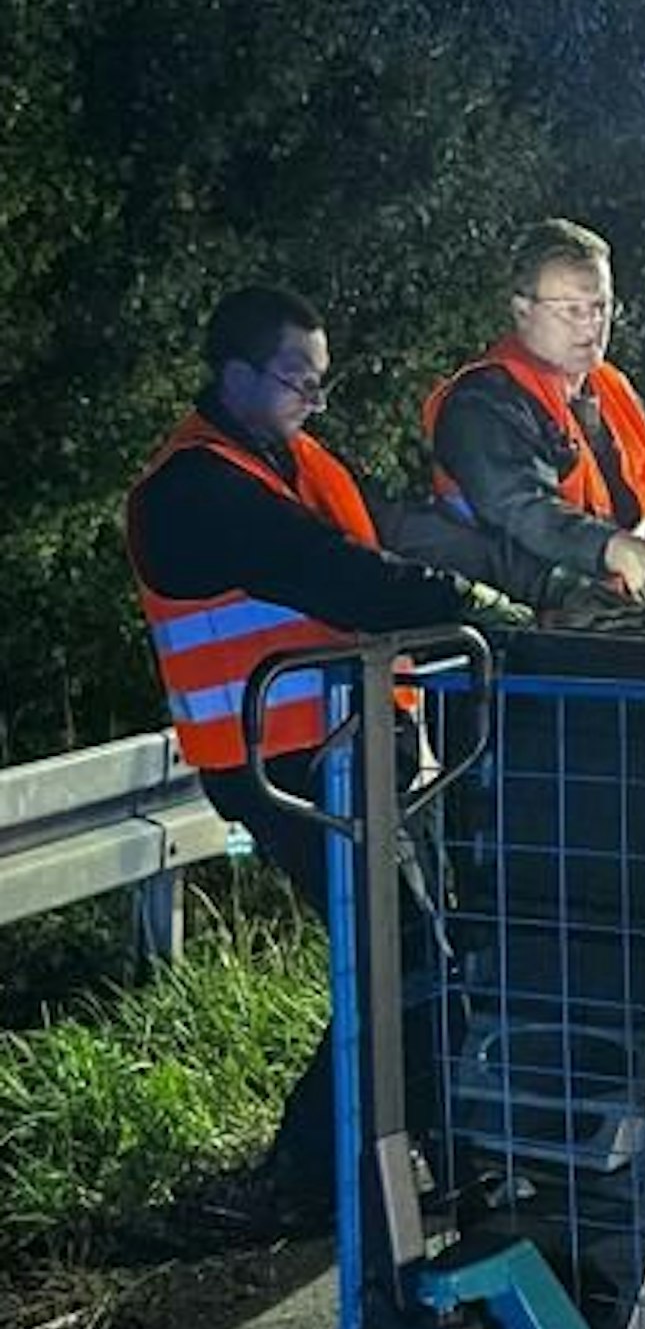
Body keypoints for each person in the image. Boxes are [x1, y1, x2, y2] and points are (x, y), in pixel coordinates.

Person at [126, 284, 531, 1222]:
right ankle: (415, 1165)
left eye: (320, 382)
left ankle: (375, 1161)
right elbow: (338, 574)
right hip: (286, 763)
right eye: (296, 380)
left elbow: (378, 543)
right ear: (234, 374)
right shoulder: (197, 489)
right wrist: (478, 608)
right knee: (406, 954)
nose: (315, 399)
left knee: (398, 955)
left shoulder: (285, 461)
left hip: (350, 749)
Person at [421, 217, 645, 608]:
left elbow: (634, 513)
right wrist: (614, 549)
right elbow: (520, 508)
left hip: (609, 615)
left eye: (600, 306)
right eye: (570, 310)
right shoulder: (482, 401)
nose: (591, 324)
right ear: (522, 311)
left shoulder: (611, 391)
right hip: (521, 622)